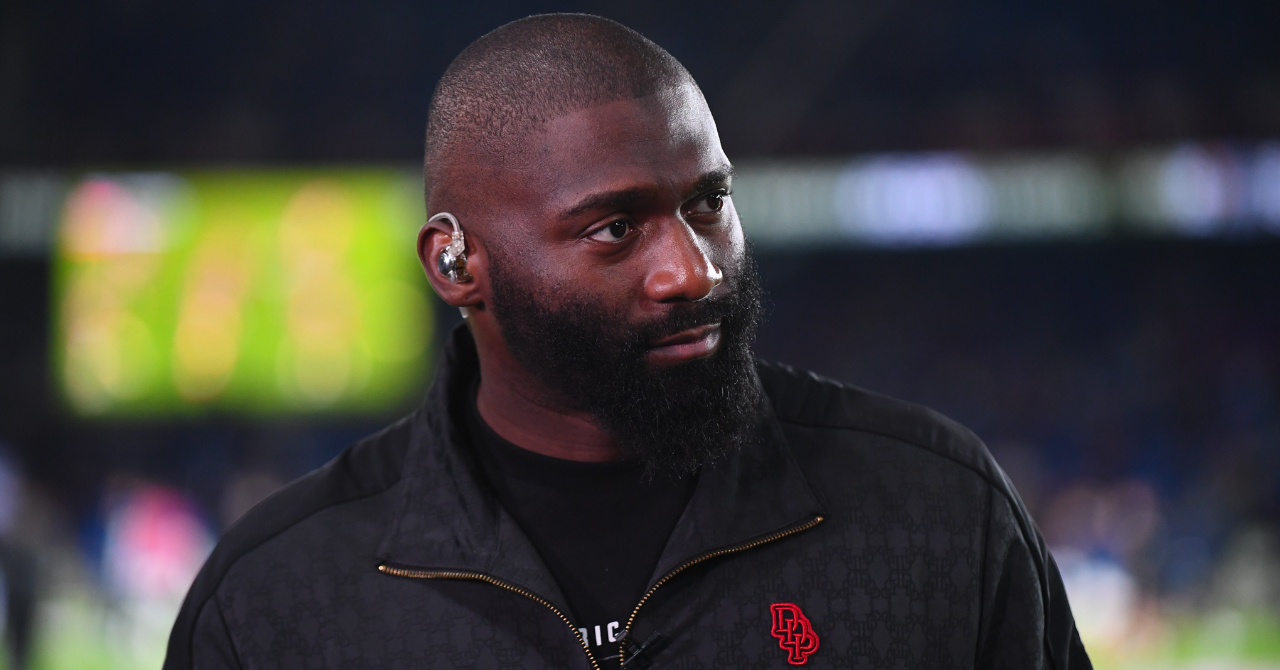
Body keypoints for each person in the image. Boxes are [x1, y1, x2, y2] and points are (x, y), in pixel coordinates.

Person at [164, 14, 1090, 670]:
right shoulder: (275, 599)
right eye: (614, 228)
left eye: (709, 202)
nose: (692, 271)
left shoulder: (938, 513)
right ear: (455, 263)